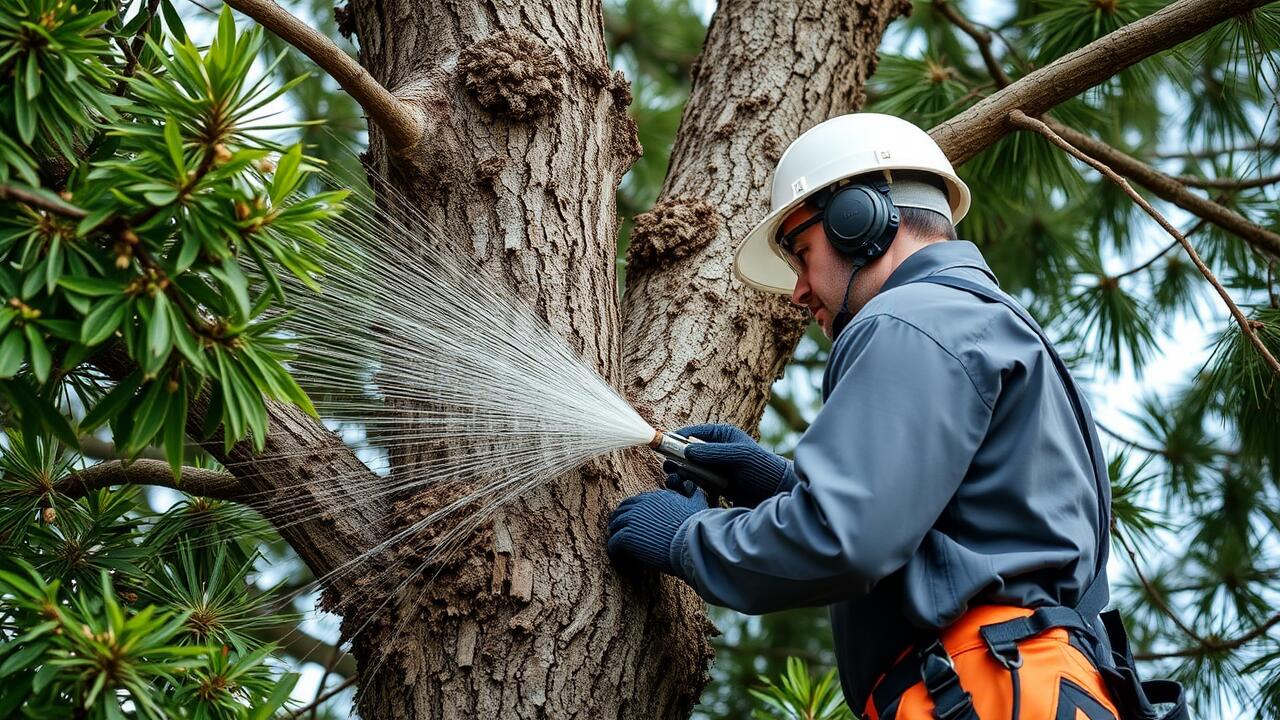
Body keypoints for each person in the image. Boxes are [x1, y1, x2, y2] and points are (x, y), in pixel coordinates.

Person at [606, 114, 1185, 719]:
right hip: (1021, 683)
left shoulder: (910, 318)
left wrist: (684, 537)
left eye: (803, 254)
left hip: (984, 687)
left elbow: (842, 541)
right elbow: (959, 535)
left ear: (860, 222)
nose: (799, 292)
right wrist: (780, 484)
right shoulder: (979, 322)